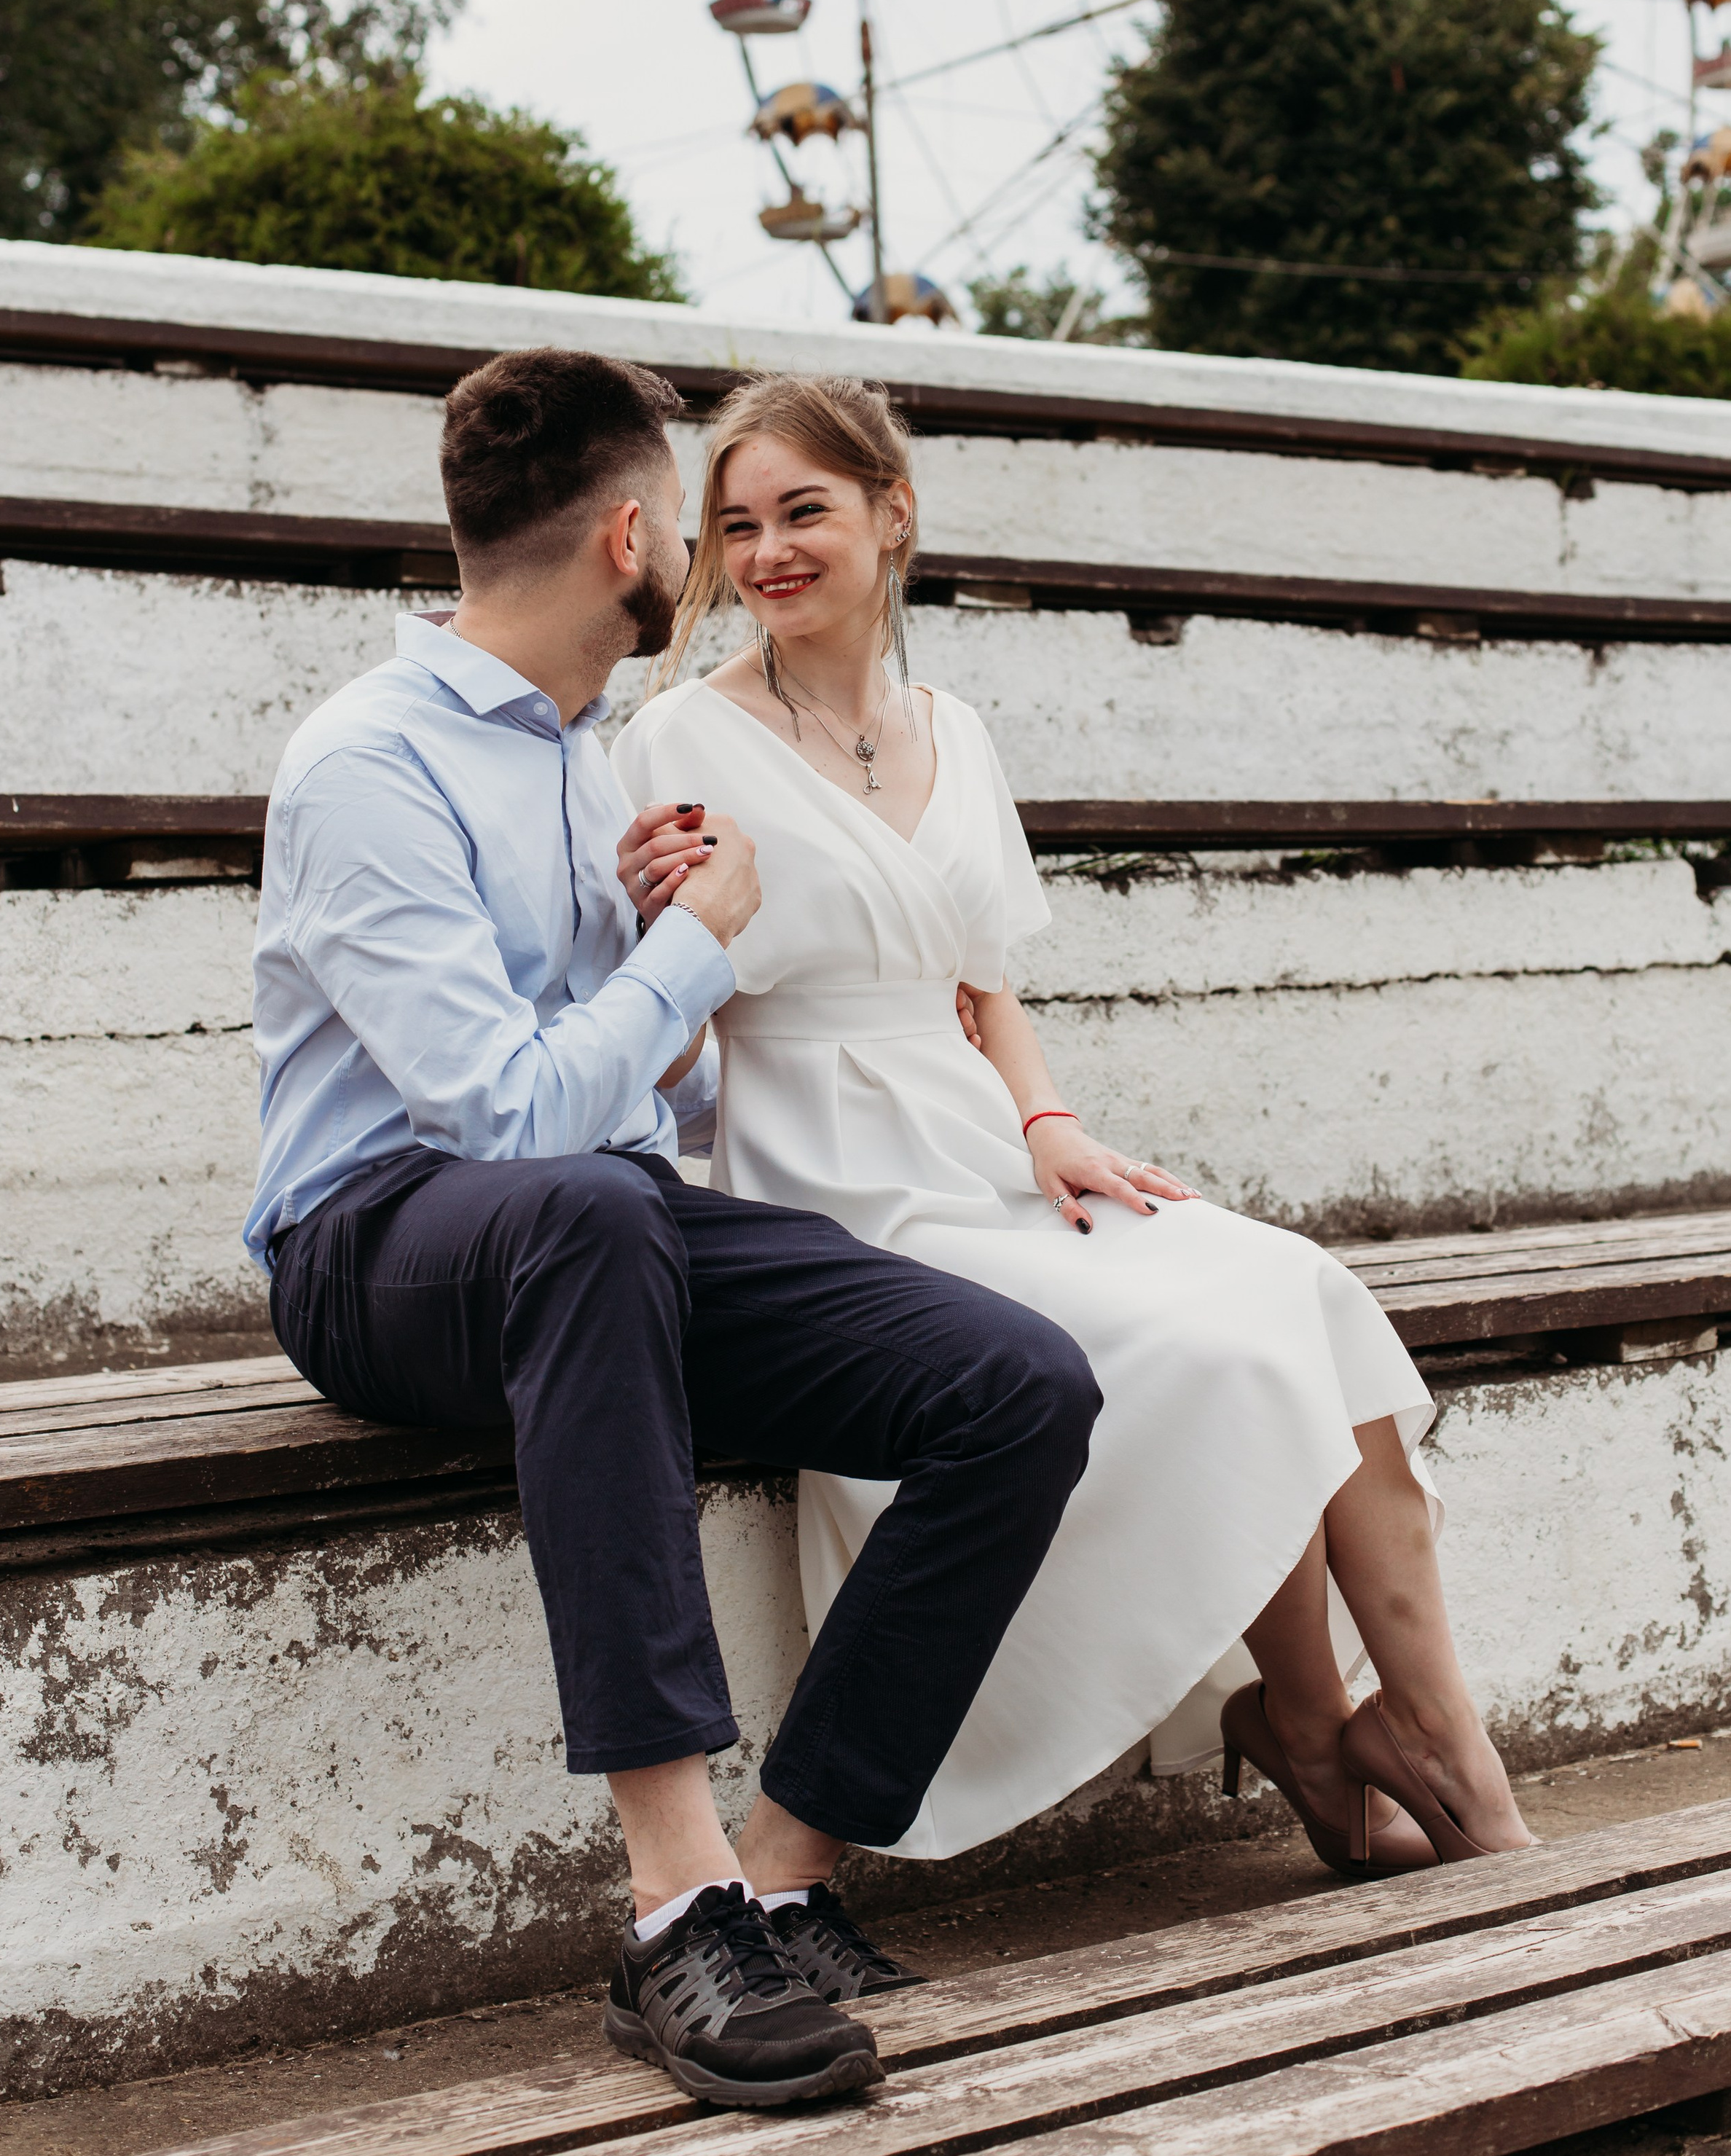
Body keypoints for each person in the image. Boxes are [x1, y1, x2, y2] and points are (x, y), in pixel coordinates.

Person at [246, 347, 1102, 2112]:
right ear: (632, 533)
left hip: (603, 1230)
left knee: (1014, 1382)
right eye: (690, 526)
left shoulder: (585, 758)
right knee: (580, 1213)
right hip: (374, 1250)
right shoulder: (368, 764)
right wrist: (693, 946)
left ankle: (787, 1871)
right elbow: (499, 1120)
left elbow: (650, 1107)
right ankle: (672, 1904)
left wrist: (688, 990)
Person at [613, 372, 1536, 1878]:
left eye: (804, 512)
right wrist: (655, 942)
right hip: (830, 1177)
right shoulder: (676, 746)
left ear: (889, 516)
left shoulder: (952, 730)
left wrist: (1046, 1122)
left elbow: (982, 983)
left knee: (1296, 1290)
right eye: (738, 526)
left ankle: (1426, 1736)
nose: (769, 551)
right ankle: (1318, 1729)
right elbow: (673, 1043)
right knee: (1221, 1347)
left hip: (976, 1138)